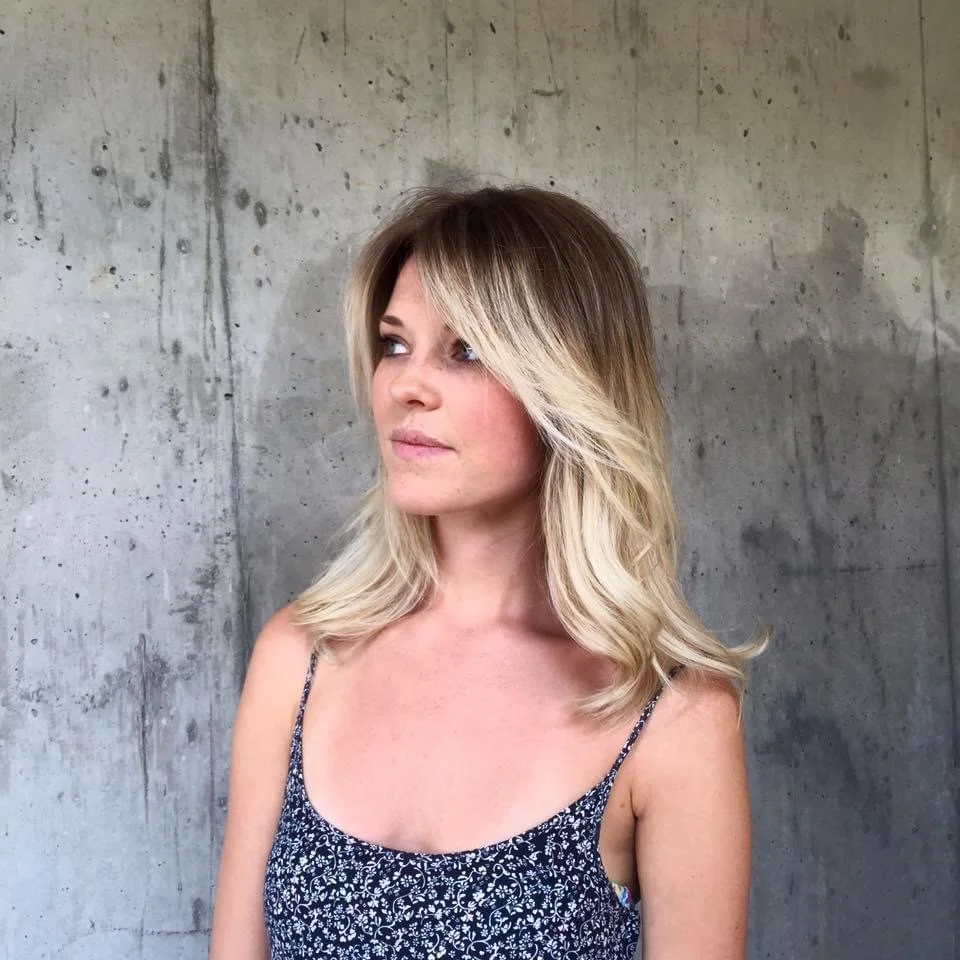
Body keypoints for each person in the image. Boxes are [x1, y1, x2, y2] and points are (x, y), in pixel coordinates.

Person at [209, 185, 769, 960]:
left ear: (569, 388)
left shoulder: (672, 715)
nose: (406, 385)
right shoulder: (301, 658)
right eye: (395, 343)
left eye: (465, 350)